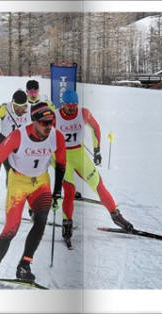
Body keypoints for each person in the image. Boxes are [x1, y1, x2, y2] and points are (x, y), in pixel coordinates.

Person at [0, 102, 66, 289]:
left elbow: (61, 164)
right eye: (44, 122)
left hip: (41, 183)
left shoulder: (56, 136)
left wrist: (57, 192)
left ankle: (24, 265)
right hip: (18, 183)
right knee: (11, 229)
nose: (49, 126)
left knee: (41, 220)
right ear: (34, 121)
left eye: (51, 121)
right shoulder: (18, 136)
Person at [54, 89, 133, 245]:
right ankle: (66, 224)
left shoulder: (83, 113)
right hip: (62, 156)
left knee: (98, 184)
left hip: (79, 154)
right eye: (69, 106)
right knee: (69, 190)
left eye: (74, 105)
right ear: (63, 104)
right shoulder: (55, 116)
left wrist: (97, 150)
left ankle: (116, 216)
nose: (72, 109)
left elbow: (96, 128)